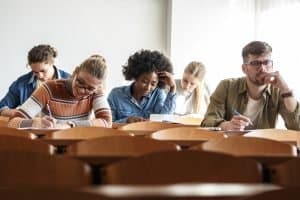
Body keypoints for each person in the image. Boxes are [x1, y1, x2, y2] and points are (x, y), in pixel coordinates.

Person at [201, 41, 300, 131]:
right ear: (244, 69)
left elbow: (297, 127)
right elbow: (207, 122)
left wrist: (286, 90)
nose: (262, 68)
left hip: (263, 148)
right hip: (230, 146)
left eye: (266, 62)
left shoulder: (278, 92)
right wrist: (226, 125)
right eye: (256, 63)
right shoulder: (226, 86)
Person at [8, 55, 112, 129]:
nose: (81, 90)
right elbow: (12, 122)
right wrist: (35, 123)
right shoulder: (49, 88)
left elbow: (107, 122)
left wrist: (70, 125)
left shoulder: (96, 92)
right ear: (75, 72)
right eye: (80, 82)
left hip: (80, 148)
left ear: (98, 87)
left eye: (89, 88)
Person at [0, 44, 70, 117]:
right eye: (35, 72)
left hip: (62, 127)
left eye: (43, 71)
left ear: (52, 63)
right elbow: (2, 107)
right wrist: (20, 114)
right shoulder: (22, 83)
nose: (40, 76)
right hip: (31, 127)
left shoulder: (68, 81)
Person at [108, 49, 176, 123]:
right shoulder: (116, 95)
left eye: (153, 84)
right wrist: (126, 121)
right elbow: (108, 125)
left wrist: (172, 88)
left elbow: (165, 120)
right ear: (135, 77)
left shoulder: (158, 95)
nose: (148, 87)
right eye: (144, 82)